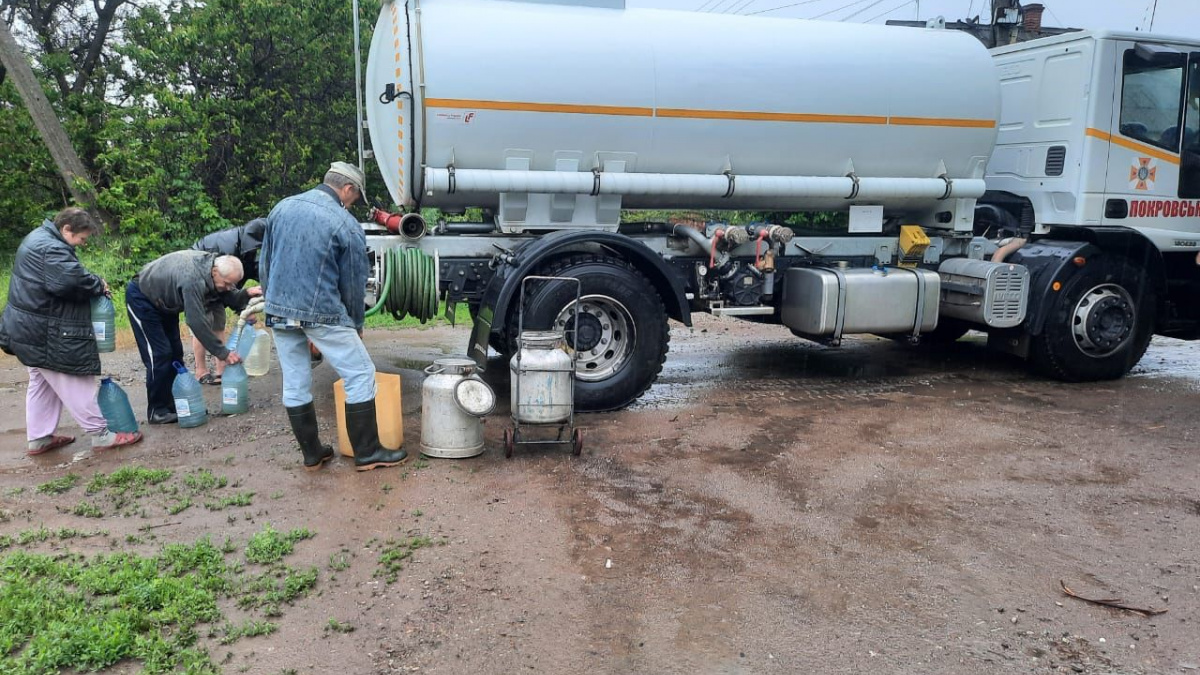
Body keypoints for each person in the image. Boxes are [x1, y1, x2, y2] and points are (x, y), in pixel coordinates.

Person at [261, 161, 406, 471]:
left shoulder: (281, 208)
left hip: (279, 308)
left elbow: (266, 262)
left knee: (296, 380)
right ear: (347, 189)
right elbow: (353, 283)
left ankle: (313, 454)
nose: (352, 204)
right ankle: (367, 453)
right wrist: (355, 323)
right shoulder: (344, 223)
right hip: (321, 311)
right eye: (354, 198)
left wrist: (271, 302)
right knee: (360, 373)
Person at [0, 208, 143, 454]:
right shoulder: (51, 248)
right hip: (43, 331)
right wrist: (98, 283)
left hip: (27, 327)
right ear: (66, 229)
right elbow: (70, 281)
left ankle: (39, 438)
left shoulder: (39, 238)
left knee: (41, 382)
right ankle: (100, 434)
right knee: (76, 378)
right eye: (81, 238)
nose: (82, 244)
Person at [125, 250, 261, 424]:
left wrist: (245, 295)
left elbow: (227, 295)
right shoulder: (193, 280)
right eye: (227, 284)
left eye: (232, 285)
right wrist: (222, 352)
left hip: (166, 304)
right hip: (143, 297)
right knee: (159, 355)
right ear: (214, 272)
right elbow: (196, 322)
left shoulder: (214, 268)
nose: (229, 288)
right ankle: (157, 410)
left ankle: (175, 403)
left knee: (175, 352)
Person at [190, 218, 266, 385]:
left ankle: (221, 371)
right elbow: (223, 278)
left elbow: (243, 275)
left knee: (218, 323)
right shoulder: (226, 245)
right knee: (202, 324)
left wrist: (244, 306)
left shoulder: (248, 247)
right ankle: (200, 371)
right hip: (199, 282)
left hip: (220, 287)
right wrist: (240, 306)